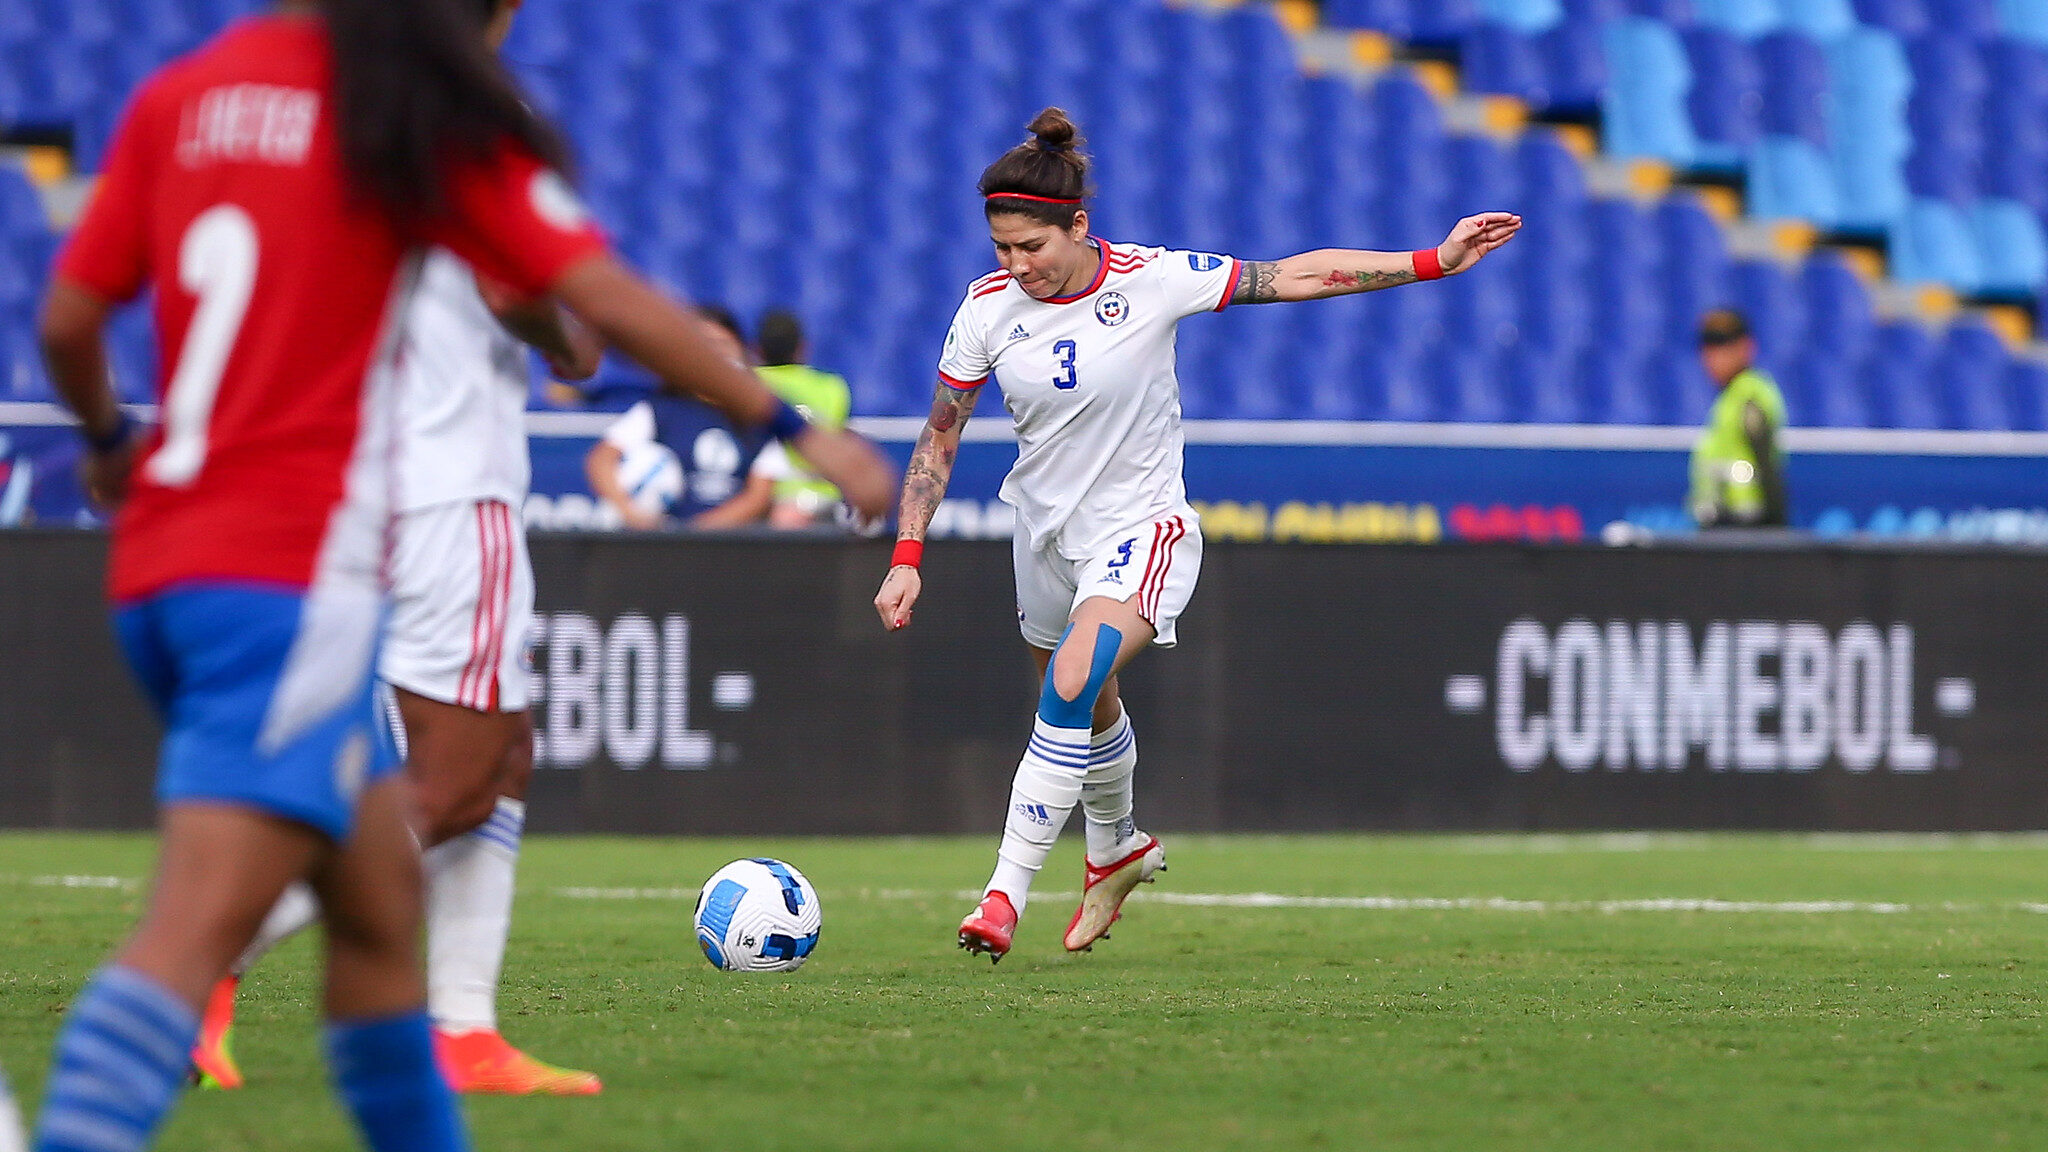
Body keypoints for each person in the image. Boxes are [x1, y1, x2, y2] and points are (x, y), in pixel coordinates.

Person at [32, 2, 891, 1150]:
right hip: (364, 516)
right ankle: (194, 1014)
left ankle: (459, 1028)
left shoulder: (188, 95)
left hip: (177, 539)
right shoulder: (423, 115)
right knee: (400, 811)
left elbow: (70, 315)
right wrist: (792, 425)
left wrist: (102, 445)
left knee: (402, 872)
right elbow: (591, 305)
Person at [873, 108, 1519, 964]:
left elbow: (1289, 276)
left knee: (1070, 681)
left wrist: (1431, 261)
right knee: (1084, 705)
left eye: (1032, 247)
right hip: (1043, 536)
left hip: (1142, 528)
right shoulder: (986, 311)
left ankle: (1003, 895)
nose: (1016, 265)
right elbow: (941, 433)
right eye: (1002, 249)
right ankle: (1120, 848)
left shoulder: (1152, 279)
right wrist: (908, 555)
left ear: (1078, 226)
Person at [183, 0, 610, 1099]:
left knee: (493, 758)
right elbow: (515, 284)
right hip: (449, 481)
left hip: (354, 482)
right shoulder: (475, 111)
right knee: (459, 780)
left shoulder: (335, 108)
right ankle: (193, 970)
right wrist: (574, 337)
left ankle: (463, 1029)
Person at [586, 306, 781, 529]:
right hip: (663, 545)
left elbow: (758, 497)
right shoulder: (664, 408)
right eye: (705, 346)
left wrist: (695, 532)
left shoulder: (755, 417)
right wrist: (629, 510)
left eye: (723, 345)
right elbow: (601, 458)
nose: (715, 356)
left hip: (729, 546)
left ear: (742, 352)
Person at [753, 309, 854, 528]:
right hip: (825, 497)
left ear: (758, 349)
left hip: (769, 499)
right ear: (802, 348)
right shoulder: (832, 387)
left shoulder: (750, 383)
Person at [1689, 308, 1788, 529]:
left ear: (1746, 348)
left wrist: (1777, 526)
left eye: (1723, 347)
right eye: (1708, 348)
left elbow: (1766, 466)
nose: (1713, 358)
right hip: (1721, 522)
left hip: (1748, 526)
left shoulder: (1750, 396)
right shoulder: (1729, 398)